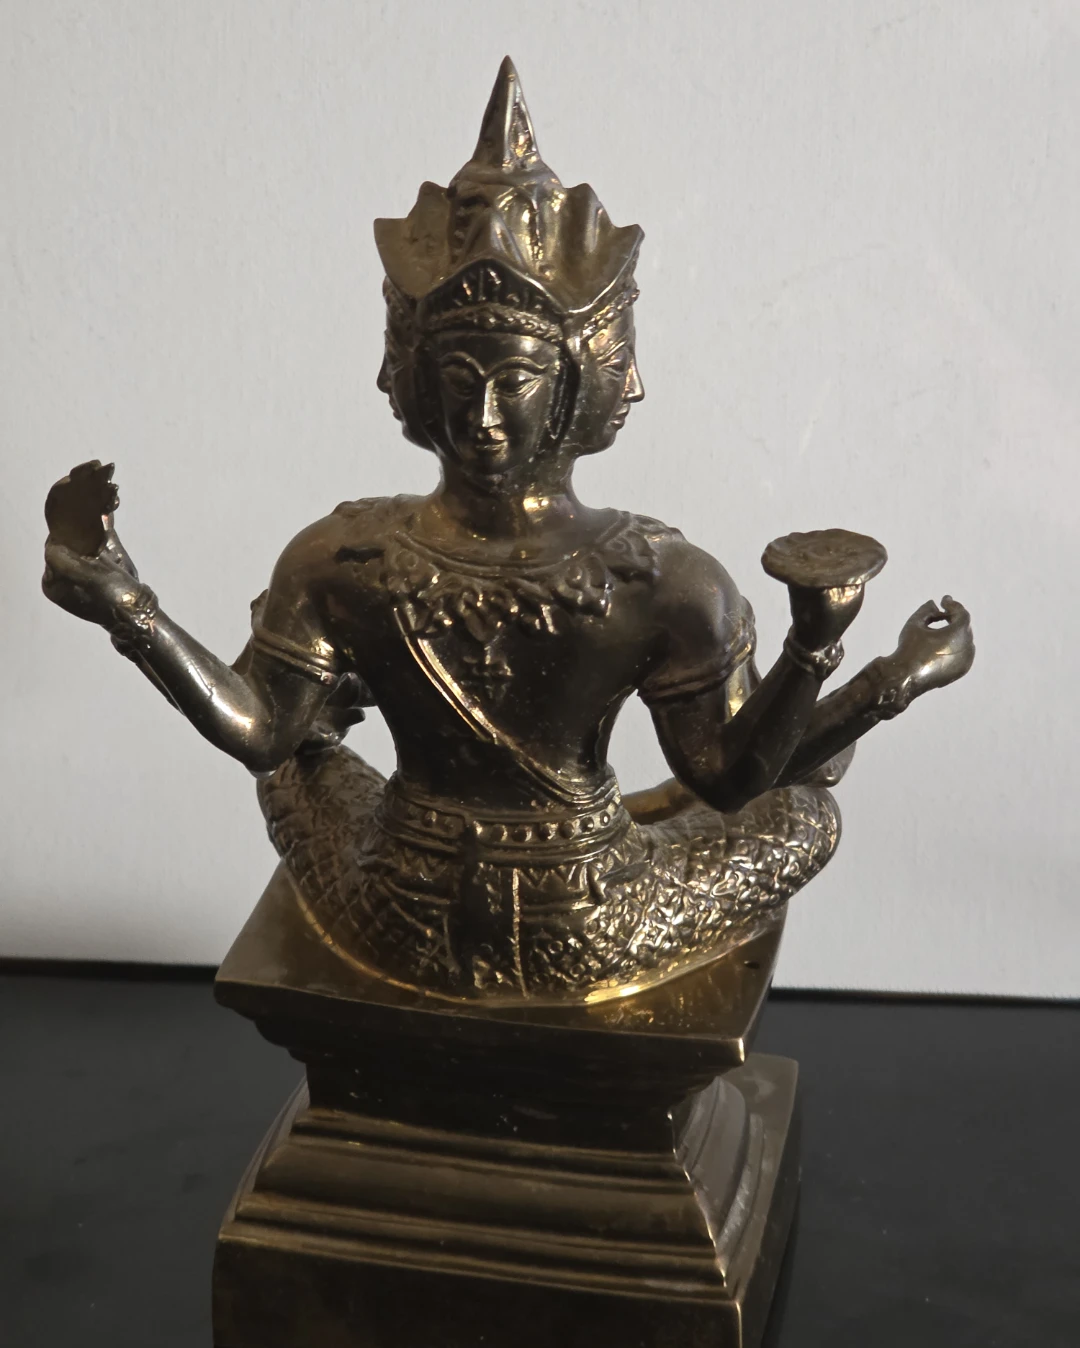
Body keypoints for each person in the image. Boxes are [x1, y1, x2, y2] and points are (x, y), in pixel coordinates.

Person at [43, 60, 973, 1003]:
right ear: (420, 381)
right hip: (590, 921)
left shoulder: (341, 553)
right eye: (460, 380)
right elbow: (733, 780)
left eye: (513, 381)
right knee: (806, 810)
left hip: (397, 908)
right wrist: (864, 667)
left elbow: (259, 734)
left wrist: (130, 609)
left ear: (574, 385)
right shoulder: (663, 577)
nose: (483, 416)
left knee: (301, 763)